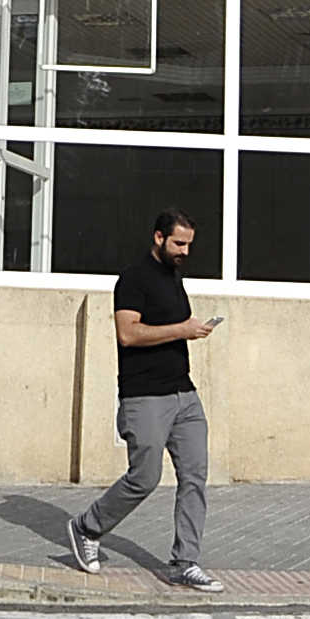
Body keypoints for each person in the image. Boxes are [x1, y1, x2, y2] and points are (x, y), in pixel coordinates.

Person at [64, 208, 217, 589]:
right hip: (145, 396)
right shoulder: (133, 279)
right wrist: (182, 328)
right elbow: (128, 335)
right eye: (178, 243)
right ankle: (87, 526)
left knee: (194, 477)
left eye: (189, 245)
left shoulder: (174, 278)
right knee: (144, 478)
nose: (184, 251)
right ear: (159, 237)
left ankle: (185, 562)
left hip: (184, 394)